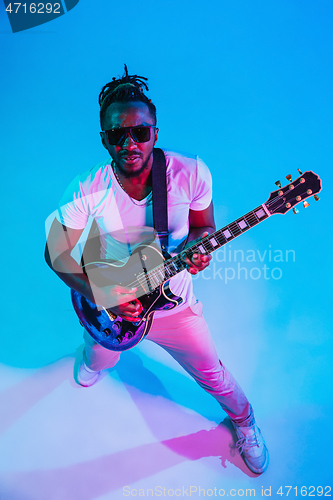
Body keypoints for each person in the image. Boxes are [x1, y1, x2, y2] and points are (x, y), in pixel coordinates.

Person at [45, 65, 269, 474]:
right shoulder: (86, 188)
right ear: (104, 140)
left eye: (140, 132)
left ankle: (245, 423)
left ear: (156, 132)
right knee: (98, 357)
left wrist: (203, 250)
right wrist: (103, 295)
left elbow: (203, 226)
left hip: (174, 304)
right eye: (117, 135)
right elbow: (56, 252)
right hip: (111, 301)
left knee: (213, 373)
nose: (129, 143)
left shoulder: (191, 173)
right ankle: (94, 354)